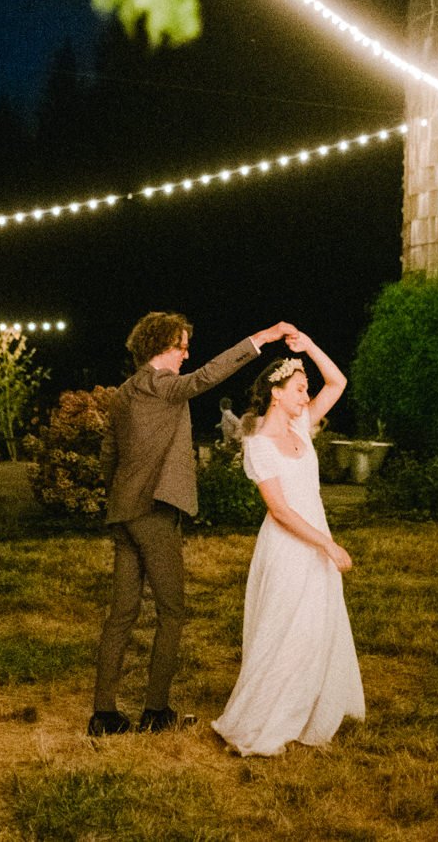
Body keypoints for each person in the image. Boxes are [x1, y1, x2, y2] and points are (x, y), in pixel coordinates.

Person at [89, 312, 294, 737]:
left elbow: (109, 453)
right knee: (172, 611)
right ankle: (156, 711)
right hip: (154, 512)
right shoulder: (163, 386)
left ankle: (104, 714)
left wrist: (122, 498)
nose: (187, 353)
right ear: (162, 346)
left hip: (124, 513)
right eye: (182, 346)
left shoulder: (125, 392)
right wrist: (264, 337)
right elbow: (206, 377)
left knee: (121, 614)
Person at [211, 332, 364, 755]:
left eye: (306, 389)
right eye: (299, 388)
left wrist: (310, 348)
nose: (306, 395)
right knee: (283, 631)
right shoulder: (258, 443)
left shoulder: (301, 425)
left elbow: (338, 384)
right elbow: (279, 510)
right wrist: (328, 546)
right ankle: (261, 721)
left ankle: (308, 710)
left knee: (316, 628)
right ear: (276, 394)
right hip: (287, 546)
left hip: (315, 535)